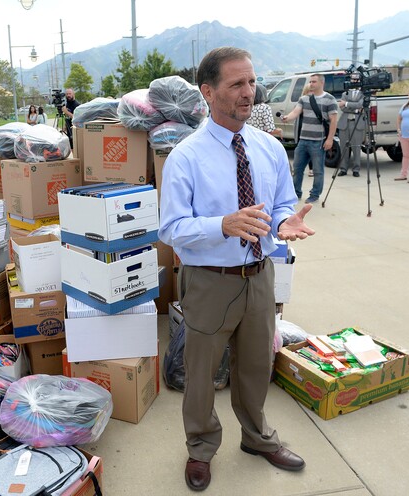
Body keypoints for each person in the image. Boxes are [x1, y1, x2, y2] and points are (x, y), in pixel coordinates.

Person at [158, 46, 314, 492]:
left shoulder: (267, 148)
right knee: (201, 373)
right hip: (210, 281)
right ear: (208, 92)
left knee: (254, 366)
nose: (250, 93)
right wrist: (222, 225)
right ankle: (201, 447)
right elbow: (171, 229)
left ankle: (257, 437)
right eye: (236, 84)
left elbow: (282, 202)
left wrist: (285, 221)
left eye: (251, 82)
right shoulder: (185, 157)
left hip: (259, 275)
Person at [281, 74, 339, 203]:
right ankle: (296, 193)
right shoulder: (304, 99)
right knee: (297, 169)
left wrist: (330, 139)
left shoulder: (330, 99)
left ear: (321, 83)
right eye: (310, 82)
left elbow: (334, 121)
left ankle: (315, 194)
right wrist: (287, 118)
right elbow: (295, 112)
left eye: (314, 82)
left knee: (318, 171)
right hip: (303, 140)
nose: (311, 84)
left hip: (318, 141)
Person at [337, 77, 366, 177]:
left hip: (357, 123)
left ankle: (356, 169)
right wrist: (356, 109)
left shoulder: (363, 94)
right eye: (353, 79)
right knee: (343, 147)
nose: (354, 81)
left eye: (356, 80)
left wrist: (347, 103)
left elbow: (360, 104)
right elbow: (342, 108)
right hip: (345, 122)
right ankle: (343, 168)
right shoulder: (345, 94)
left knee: (356, 147)